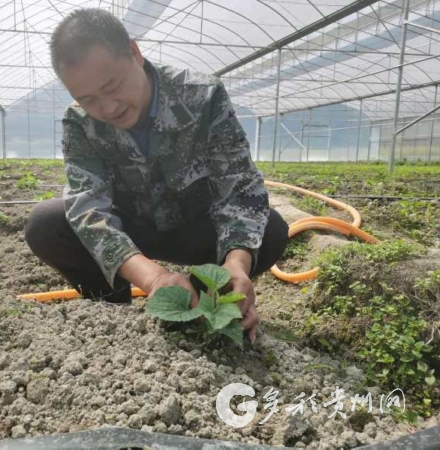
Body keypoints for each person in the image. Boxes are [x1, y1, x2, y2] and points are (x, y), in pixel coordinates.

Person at [24, 8, 289, 343]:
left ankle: (205, 302)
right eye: (87, 99)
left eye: (112, 86)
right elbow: (88, 208)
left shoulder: (202, 97)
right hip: (132, 234)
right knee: (47, 223)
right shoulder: (79, 122)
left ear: (134, 53)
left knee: (272, 229)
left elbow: (239, 186)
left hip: (197, 229)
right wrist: (151, 278)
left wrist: (236, 263)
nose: (107, 108)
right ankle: (111, 313)